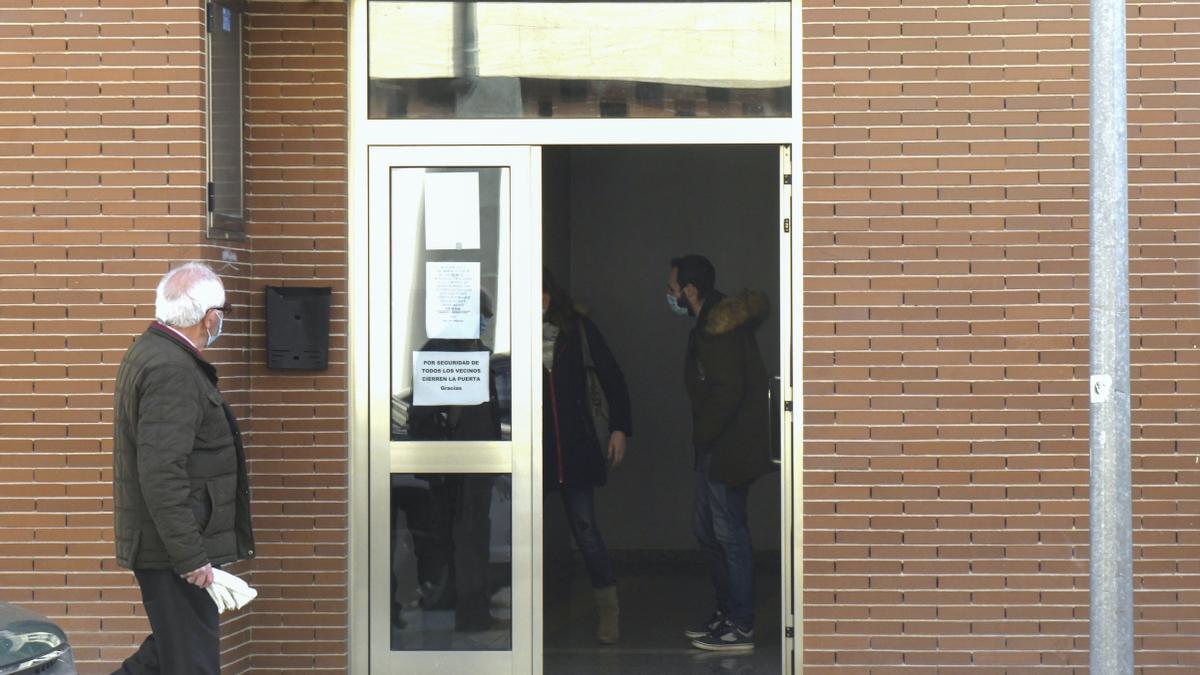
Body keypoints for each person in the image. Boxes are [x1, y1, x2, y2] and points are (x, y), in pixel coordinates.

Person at [111, 262, 255, 674]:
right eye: (222, 313)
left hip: (173, 545)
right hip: (177, 552)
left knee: (166, 656)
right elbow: (161, 472)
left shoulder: (159, 355)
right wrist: (192, 558)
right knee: (190, 662)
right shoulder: (171, 369)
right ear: (211, 317)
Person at [667, 255, 772, 653]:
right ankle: (727, 613)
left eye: (673, 287)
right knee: (708, 531)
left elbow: (727, 391)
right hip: (717, 446)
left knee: (729, 534)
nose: (670, 294)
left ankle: (739, 625)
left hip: (726, 449)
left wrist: (703, 435)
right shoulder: (712, 322)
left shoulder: (720, 328)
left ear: (690, 290)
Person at [542, 270, 633, 644]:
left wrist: (619, 428)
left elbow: (613, 377)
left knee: (586, 532)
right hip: (531, 449)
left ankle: (608, 611)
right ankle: (517, 619)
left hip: (576, 446)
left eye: (541, 293)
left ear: (551, 293)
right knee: (522, 535)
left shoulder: (577, 329)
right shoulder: (509, 332)